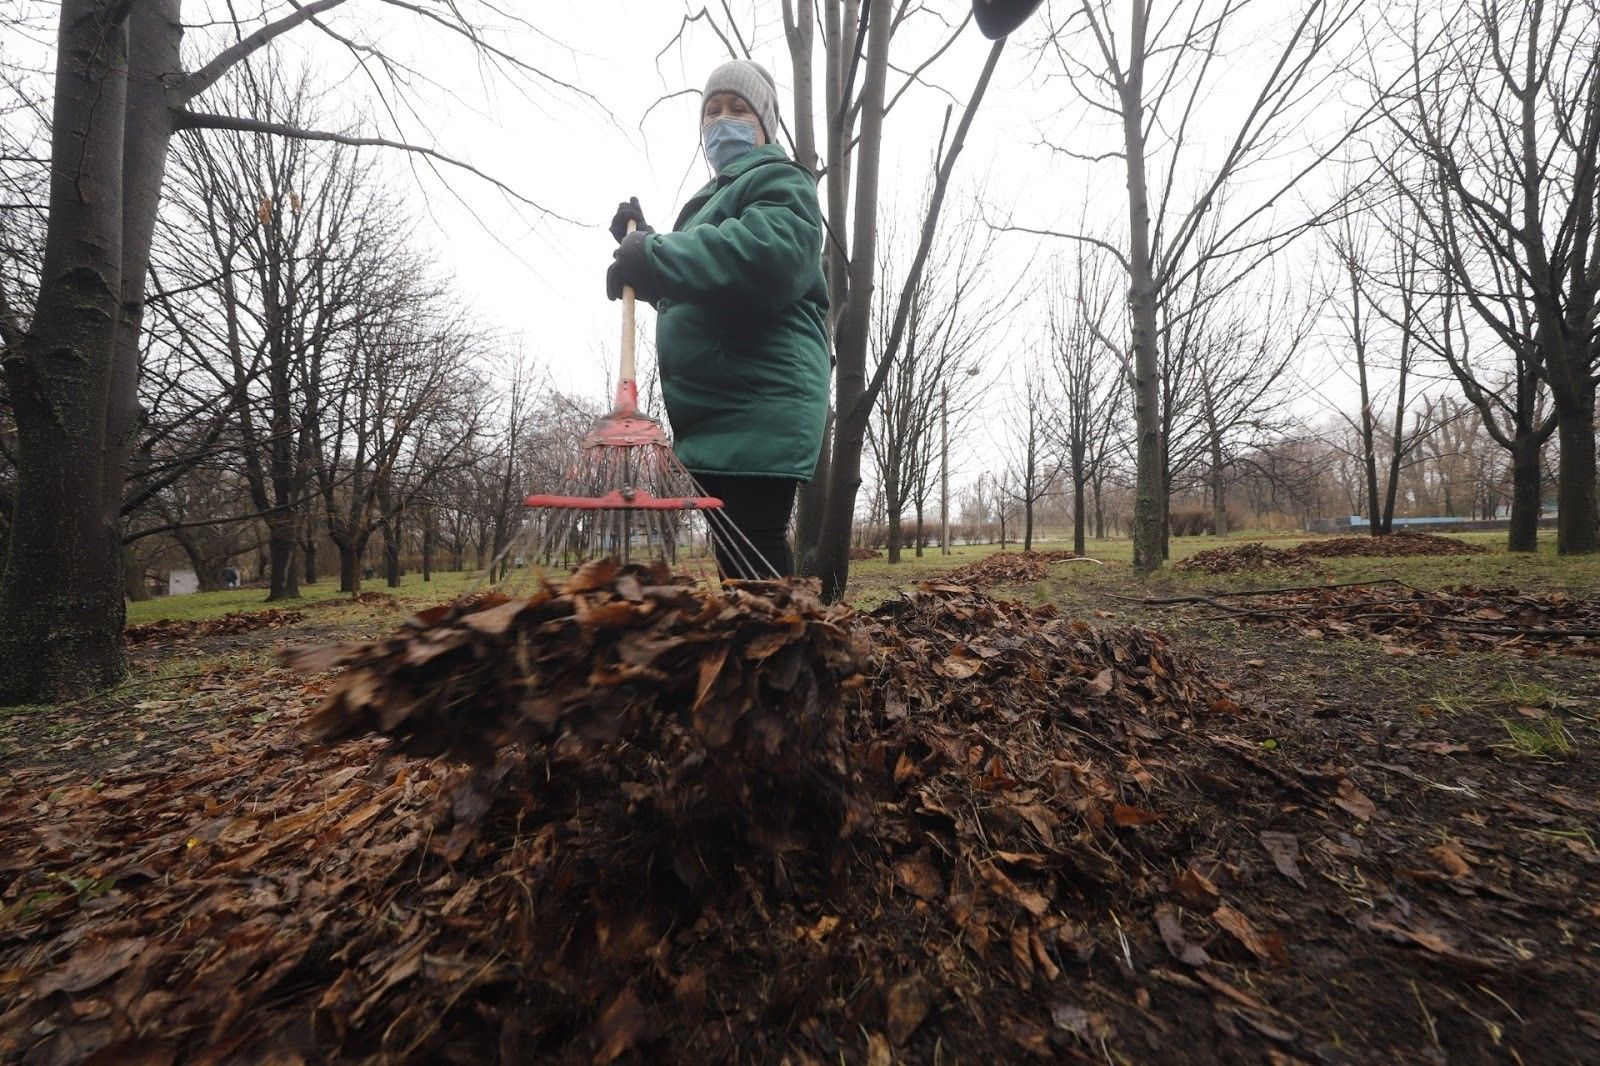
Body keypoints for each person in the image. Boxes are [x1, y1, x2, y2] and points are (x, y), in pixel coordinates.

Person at [606, 60, 829, 579]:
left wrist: (657, 255)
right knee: (734, 553)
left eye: (737, 108)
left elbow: (768, 259)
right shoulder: (713, 202)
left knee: (754, 547)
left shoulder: (780, 179)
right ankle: (760, 655)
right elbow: (709, 287)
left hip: (760, 401)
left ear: (764, 124)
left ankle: (779, 657)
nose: (721, 120)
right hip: (716, 412)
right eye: (711, 112)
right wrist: (646, 253)